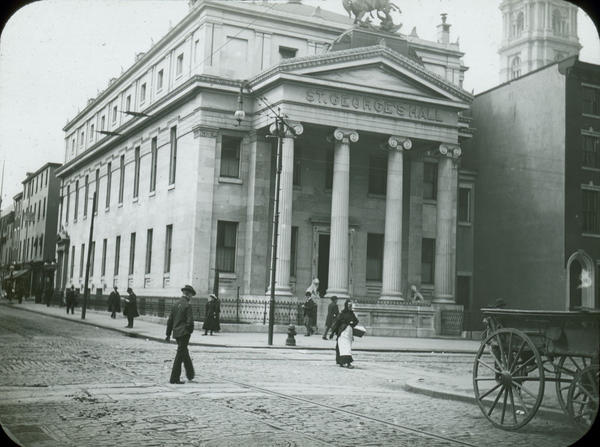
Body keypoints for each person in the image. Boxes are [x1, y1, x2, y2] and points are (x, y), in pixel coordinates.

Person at [166, 284, 196, 384]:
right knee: (180, 355)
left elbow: (170, 320)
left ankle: (190, 374)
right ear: (189, 294)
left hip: (176, 333)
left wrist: (168, 334)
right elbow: (190, 321)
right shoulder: (187, 305)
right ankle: (174, 378)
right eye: (191, 295)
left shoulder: (175, 304)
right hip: (184, 333)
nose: (191, 297)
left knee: (184, 352)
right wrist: (189, 331)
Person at [329, 299, 359, 368]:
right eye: (349, 305)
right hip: (342, 332)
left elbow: (356, 321)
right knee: (345, 347)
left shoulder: (352, 313)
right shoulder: (342, 313)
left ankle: (342, 362)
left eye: (351, 305)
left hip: (349, 333)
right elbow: (337, 323)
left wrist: (352, 323)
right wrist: (332, 333)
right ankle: (347, 363)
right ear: (346, 305)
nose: (350, 306)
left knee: (345, 347)